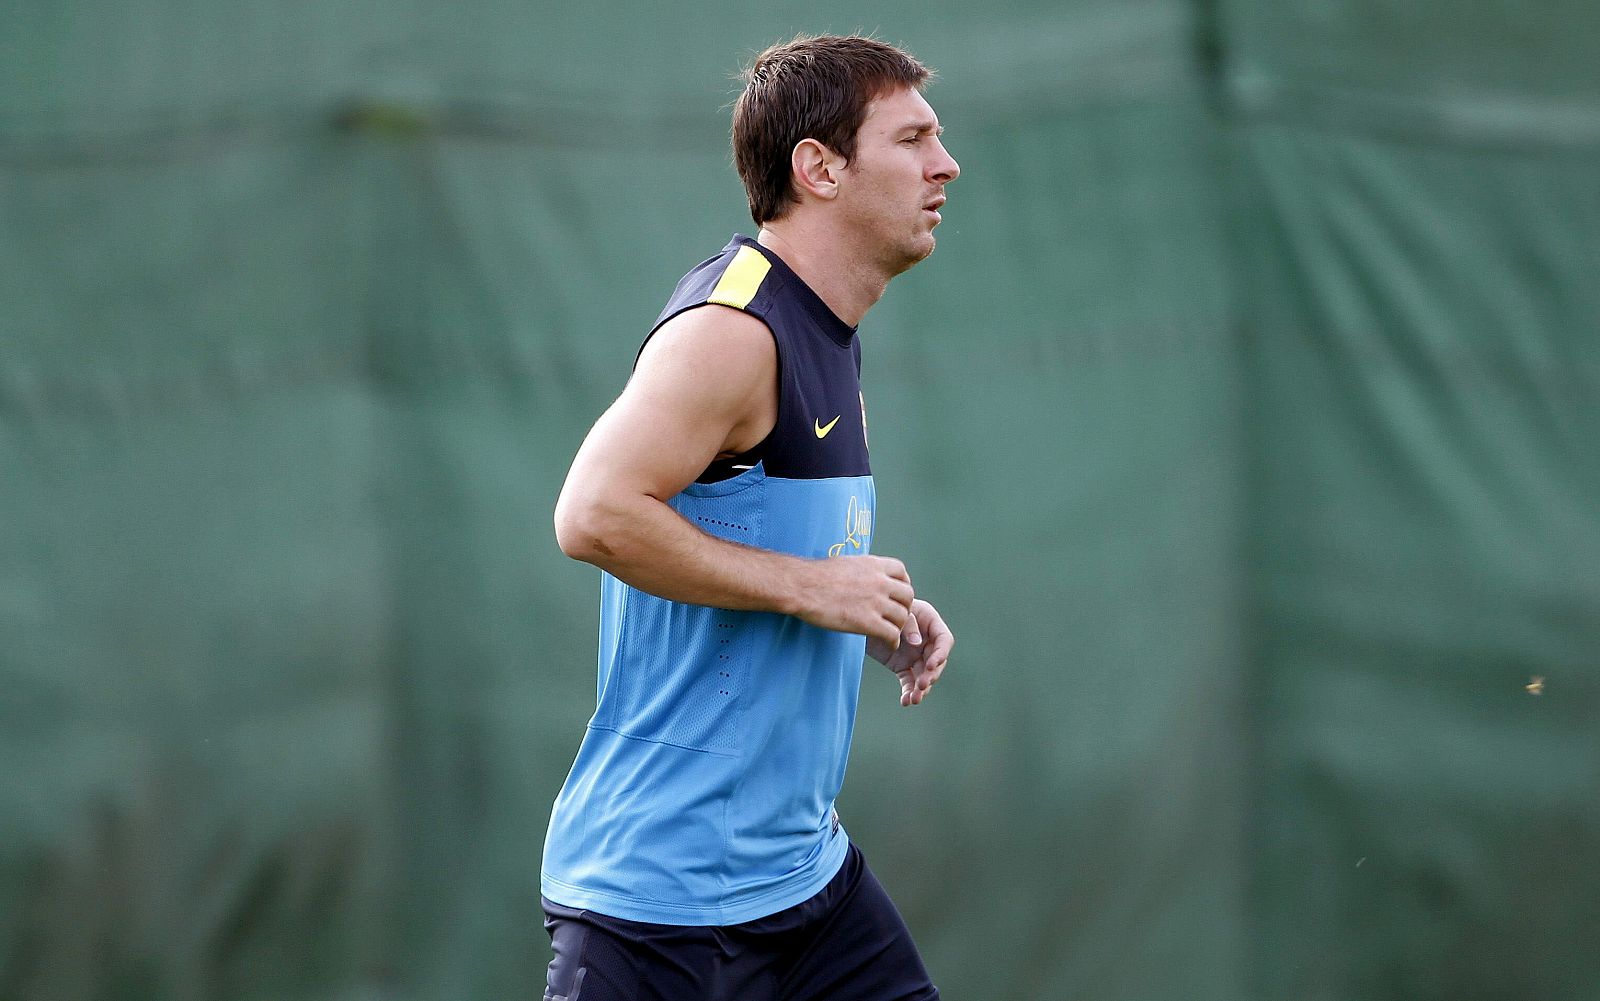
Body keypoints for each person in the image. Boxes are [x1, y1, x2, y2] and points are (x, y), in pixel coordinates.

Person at [542, 34, 961, 1001]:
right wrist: (815, 586)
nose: (946, 164)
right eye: (913, 139)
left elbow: (750, 536)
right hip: (656, 912)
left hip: (806, 888)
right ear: (818, 168)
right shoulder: (732, 330)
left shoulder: (827, 326)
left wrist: (867, 610)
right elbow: (593, 513)